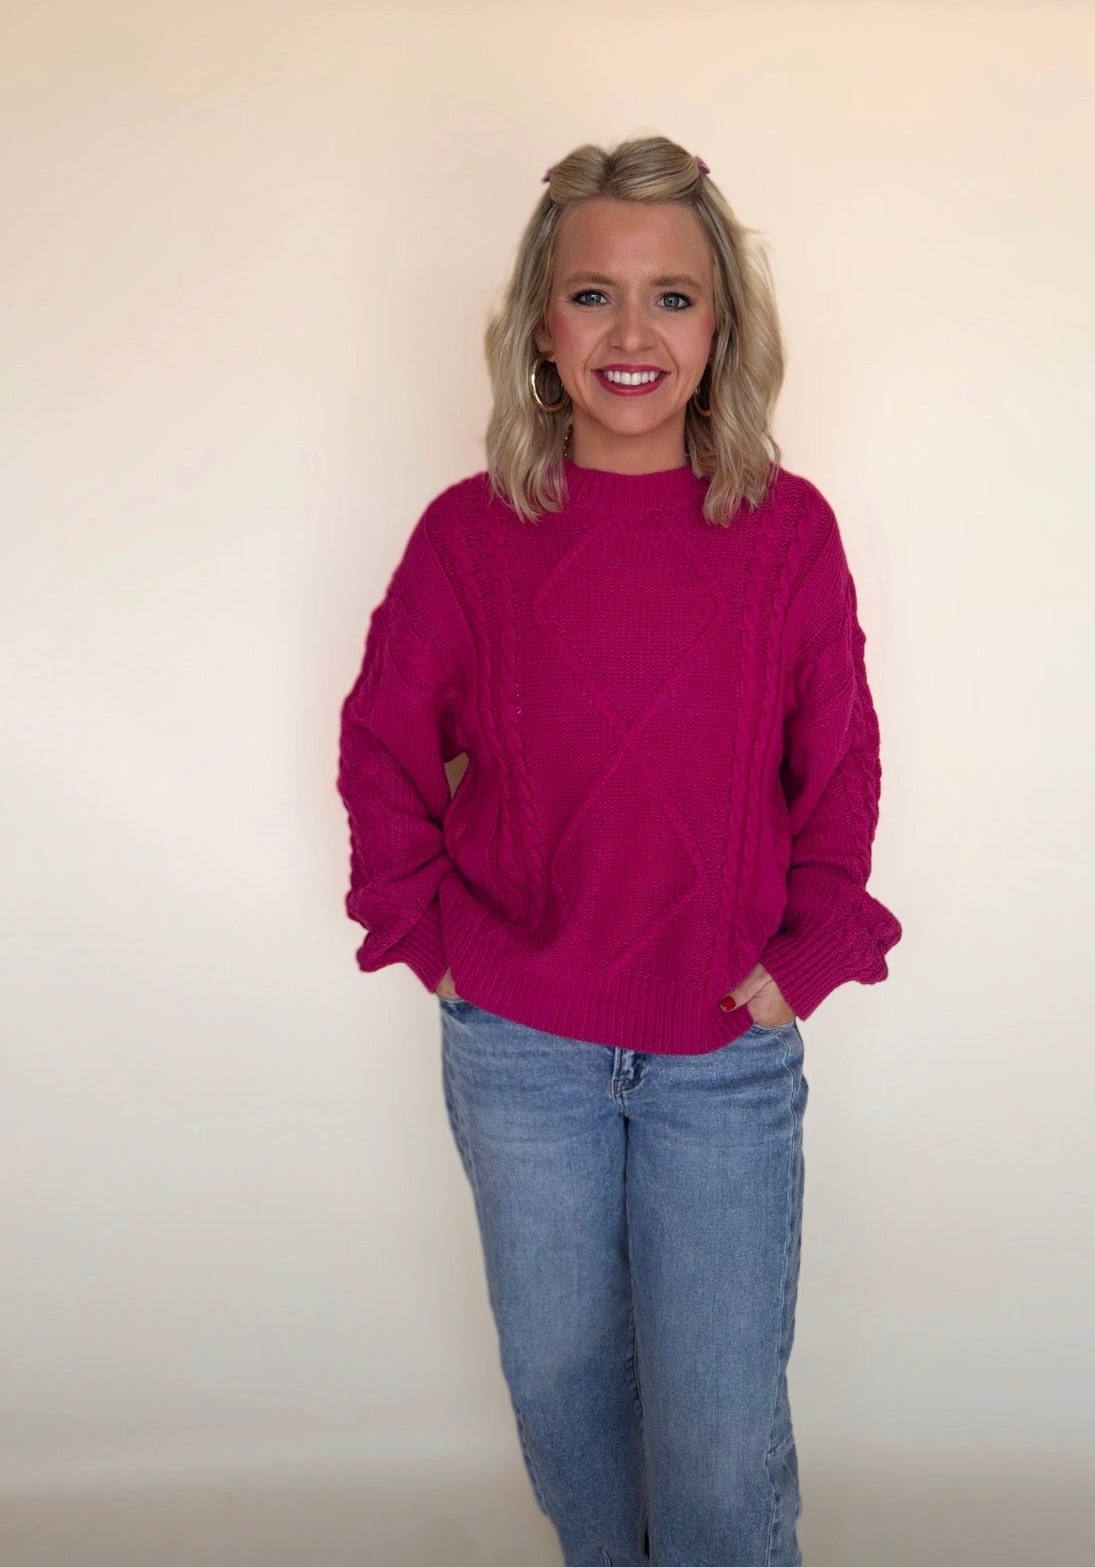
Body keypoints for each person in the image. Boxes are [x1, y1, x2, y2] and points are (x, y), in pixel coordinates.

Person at [336, 135, 902, 1567]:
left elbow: (834, 761)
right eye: (593, 295)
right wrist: (438, 944)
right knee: (564, 1395)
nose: (632, 333)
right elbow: (381, 744)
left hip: (724, 1048)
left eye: (672, 298)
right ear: (539, 323)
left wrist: (813, 952)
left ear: (721, 332)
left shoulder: (784, 534)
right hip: (523, 1048)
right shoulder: (471, 538)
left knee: (716, 1432)